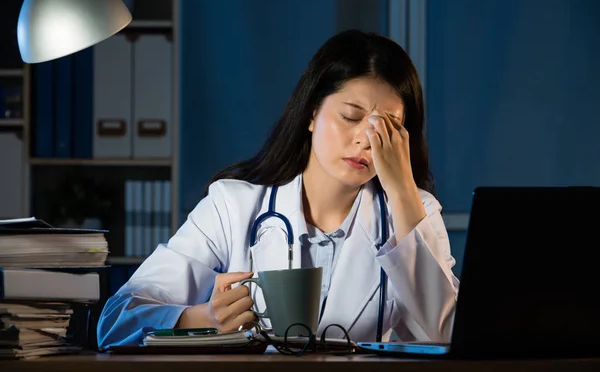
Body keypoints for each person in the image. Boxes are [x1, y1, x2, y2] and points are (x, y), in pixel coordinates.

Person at [97, 29, 459, 350]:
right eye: (350, 116)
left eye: (387, 129)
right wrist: (203, 318)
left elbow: (447, 336)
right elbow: (116, 322)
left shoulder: (414, 210)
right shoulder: (233, 207)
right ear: (312, 114)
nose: (366, 140)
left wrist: (402, 190)